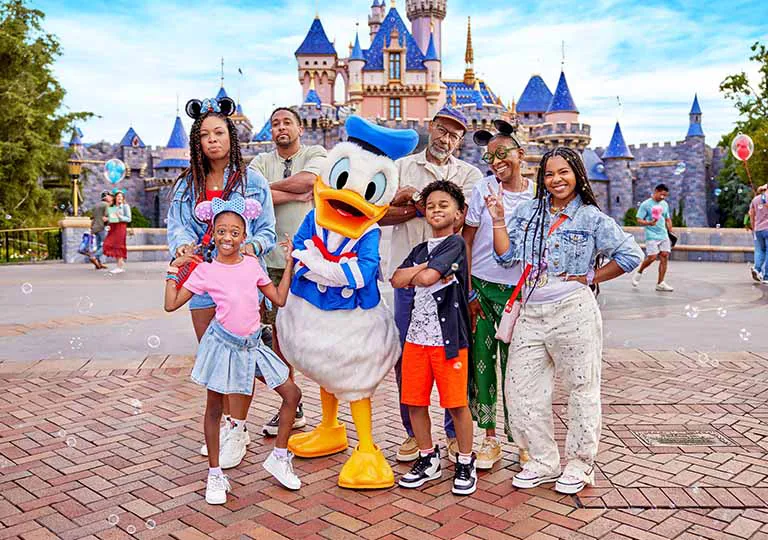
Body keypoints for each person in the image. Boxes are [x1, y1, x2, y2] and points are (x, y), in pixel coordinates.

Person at [486, 147, 643, 494]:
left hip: (573, 310)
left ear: (577, 175)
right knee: (520, 390)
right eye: (549, 174)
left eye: (564, 172)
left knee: (582, 389)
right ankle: (543, 459)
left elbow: (632, 255)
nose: (556, 180)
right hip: (530, 310)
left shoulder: (590, 218)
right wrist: (498, 218)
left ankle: (581, 463)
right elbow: (506, 255)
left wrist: (590, 278)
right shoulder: (529, 211)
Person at [165, 197, 302, 504]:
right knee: (215, 407)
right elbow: (171, 303)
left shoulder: (252, 265)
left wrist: (290, 261)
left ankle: (279, 457)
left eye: (235, 232)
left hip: (253, 345)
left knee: (292, 395)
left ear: (244, 235)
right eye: (222, 231)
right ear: (213, 234)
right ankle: (215, 475)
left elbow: (278, 299)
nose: (228, 237)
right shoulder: (205, 271)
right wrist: (174, 270)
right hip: (222, 345)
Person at [166, 96, 277, 469]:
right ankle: (228, 426)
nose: (212, 140)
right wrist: (182, 244)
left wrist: (249, 246)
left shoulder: (253, 180)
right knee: (216, 359)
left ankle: (237, 427)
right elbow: (178, 224)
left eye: (218, 132)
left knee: (241, 359)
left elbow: (267, 231)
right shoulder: (188, 183)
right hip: (202, 277)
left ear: (231, 134)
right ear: (196, 143)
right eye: (204, 135)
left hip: (241, 282)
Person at [381, 106, 482, 463]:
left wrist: (418, 201)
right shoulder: (399, 167)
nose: (446, 139)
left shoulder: (470, 174)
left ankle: (455, 435)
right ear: (431, 127)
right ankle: (415, 435)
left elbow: (463, 221)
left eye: (455, 135)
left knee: (453, 357)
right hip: (406, 284)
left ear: (461, 141)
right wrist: (407, 205)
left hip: (450, 282)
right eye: (442, 130)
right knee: (408, 359)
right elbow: (378, 214)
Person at [392, 180, 477, 496]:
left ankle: (466, 460)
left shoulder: (455, 244)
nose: (436, 209)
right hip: (416, 338)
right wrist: (429, 267)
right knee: (414, 401)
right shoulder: (420, 249)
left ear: (459, 213)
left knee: (456, 403)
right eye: (430, 205)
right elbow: (397, 279)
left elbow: (421, 278)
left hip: (448, 340)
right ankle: (428, 457)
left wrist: (423, 271)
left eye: (444, 204)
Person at [248, 107, 326, 436]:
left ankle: (332, 414)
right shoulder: (258, 163)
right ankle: (292, 405)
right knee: (278, 338)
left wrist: (267, 190)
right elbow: (250, 195)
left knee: (317, 335)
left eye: (287, 122)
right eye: (276, 122)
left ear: (300, 128)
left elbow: (310, 181)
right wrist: (287, 191)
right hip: (271, 264)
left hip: (310, 261)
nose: (281, 127)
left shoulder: (316, 153)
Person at [463, 120, 533, 469]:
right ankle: (489, 439)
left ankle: (522, 438)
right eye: (490, 156)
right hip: (482, 289)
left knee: (519, 368)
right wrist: (468, 288)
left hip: (519, 294)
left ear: (521, 154)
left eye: (503, 153)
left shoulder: (538, 195)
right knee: (482, 364)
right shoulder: (483, 188)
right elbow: (468, 237)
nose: (496, 161)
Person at [632, 184, 674, 292]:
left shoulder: (664, 204)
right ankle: (640, 271)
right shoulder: (646, 204)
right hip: (651, 235)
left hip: (663, 234)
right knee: (652, 257)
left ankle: (660, 283)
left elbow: (667, 219)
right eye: (661, 194)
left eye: (665, 195)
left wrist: (670, 231)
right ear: (656, 191)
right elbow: (639, 219)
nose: (663, 197)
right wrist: (649, 223)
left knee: (664, 256)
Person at [103, 189, 131, 274]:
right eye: (118, 196)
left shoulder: (125, 206)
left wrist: (120, 217)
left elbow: (129, 219)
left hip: (121, 227)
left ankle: (119, 266)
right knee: (108, 244)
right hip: (113, 227)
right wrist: (107, 219)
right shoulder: (113, 207)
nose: (119, 198)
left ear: (123, 198)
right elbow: (113, 219)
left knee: (119, 246)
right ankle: (120, 264)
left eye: (121, 197)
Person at [748, 184, 768, 283]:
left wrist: (753, 228)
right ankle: (766, 276)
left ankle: (757, 269)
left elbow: (751, 215)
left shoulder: (755, 199)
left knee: (760, 250)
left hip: (758, 229)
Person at [89, 191, 113, 270]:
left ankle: (98, 263)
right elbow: (106, 217)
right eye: (110, 196)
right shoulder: (106, 205)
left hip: (95, 228)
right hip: (102, 227)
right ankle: (95, 257)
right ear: (107, 197)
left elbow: (92, 217)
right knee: (107, 244)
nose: (112, 198)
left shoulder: (95, 205)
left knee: (99, 245)